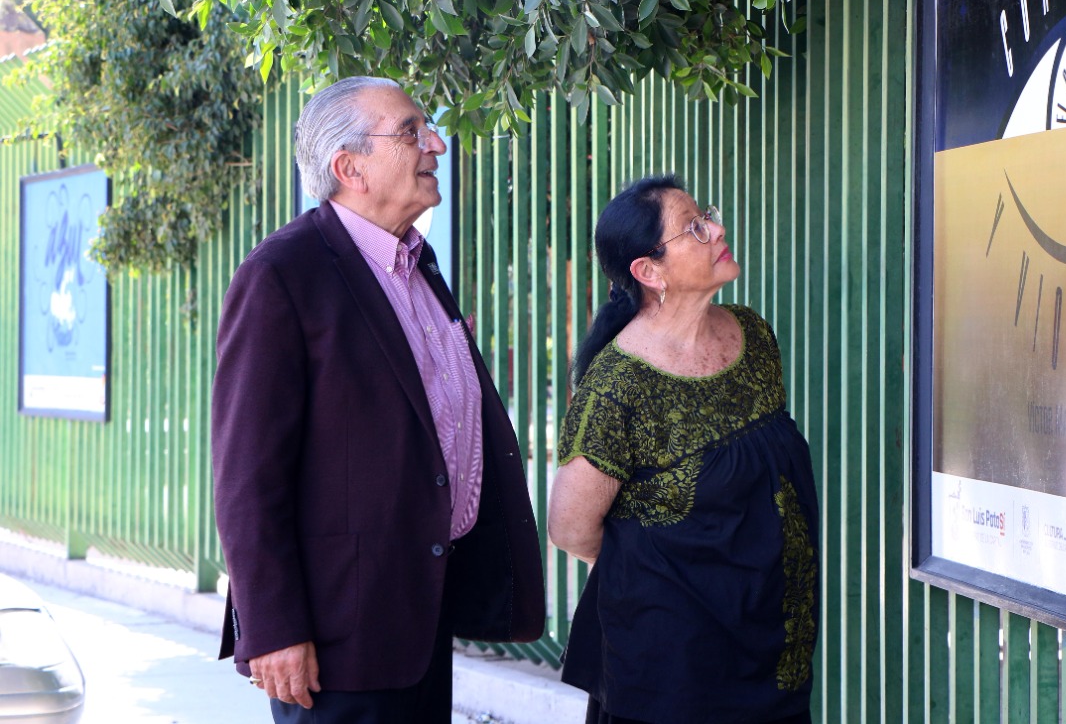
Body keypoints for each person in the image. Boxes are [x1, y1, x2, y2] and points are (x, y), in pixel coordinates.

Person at [211, 76, 545, 722]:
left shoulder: (419, 268)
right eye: (412, 132)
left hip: (420, 623)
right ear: (349, 167)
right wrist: (273, 627)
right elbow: (247, 478)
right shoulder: (283, 274)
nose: (437, 145)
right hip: (337, 643)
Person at [548, 176, 820, 724]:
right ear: (650, 273)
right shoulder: (618, 386)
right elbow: (571, 528)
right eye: (694, 228)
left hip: (771, 638)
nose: (716, 229)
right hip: (673, 663)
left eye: (708, 217)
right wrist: (672, 567)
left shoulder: (752, 335)